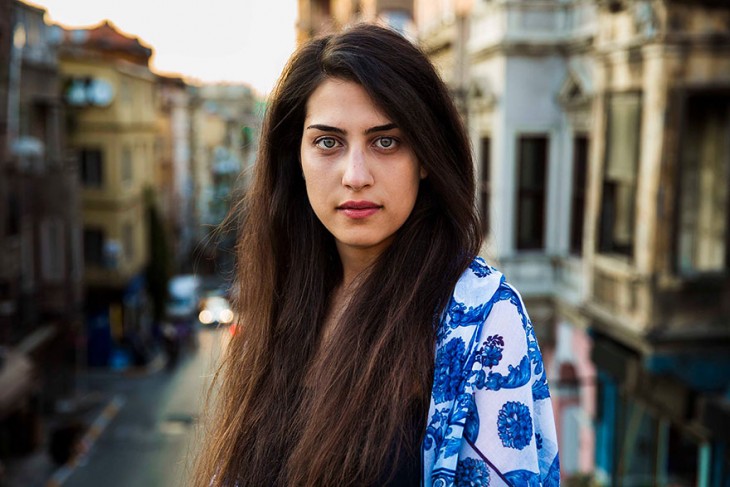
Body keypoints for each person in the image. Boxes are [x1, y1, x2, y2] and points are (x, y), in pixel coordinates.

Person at [193, 23, 559, 487]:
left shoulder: (482, 318)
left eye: (386, 141)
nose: (356, 175)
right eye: (328, 142)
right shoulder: (285, 296)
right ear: (296, 156)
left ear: (425, 157)